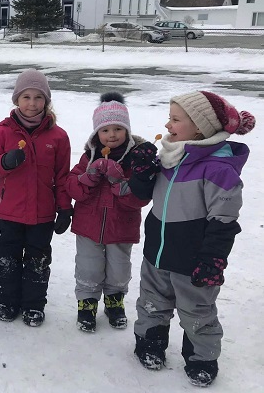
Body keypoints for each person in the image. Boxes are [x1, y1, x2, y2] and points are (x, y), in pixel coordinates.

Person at [130, 91, 255, 387]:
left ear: (199, 127)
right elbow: (142, 195)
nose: (168, 124)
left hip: (193, 259)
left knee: (197, 311)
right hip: (157, 252)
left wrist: (213, 259)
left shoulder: (218, 168)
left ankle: (202, 357)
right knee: (151, 302)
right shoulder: (170, 155)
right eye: (169, 117)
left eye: (175, 119)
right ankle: (150, 343)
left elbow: (224, 220)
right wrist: (142, 172)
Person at [0, 69, 72, 326]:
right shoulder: (2, 131)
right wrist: (5, 162)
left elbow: (62, 176)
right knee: (8, 259)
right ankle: (8, 301)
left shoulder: (58, 136)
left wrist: (64, 208)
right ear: (16, 100)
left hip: (42, 214)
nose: (32, 104)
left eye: (38, 98)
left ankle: (34, 305)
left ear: (46, 101)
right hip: (10, 211)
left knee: (38, 261)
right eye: (26, 97)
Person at [65, 93, 151, 332]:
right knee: (88, 266)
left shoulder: (136, 160)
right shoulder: (88, 156)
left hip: (121, 227)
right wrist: (88, 177)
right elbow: (72, 187)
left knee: (118, 267)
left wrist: (119, 181)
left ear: (127, 130)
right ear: (96, 134)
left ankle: (115, 302)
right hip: (88, 226)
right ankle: (87, 304)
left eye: (117, 129)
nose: (111, 135)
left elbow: (140, 198)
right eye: (105, 130)